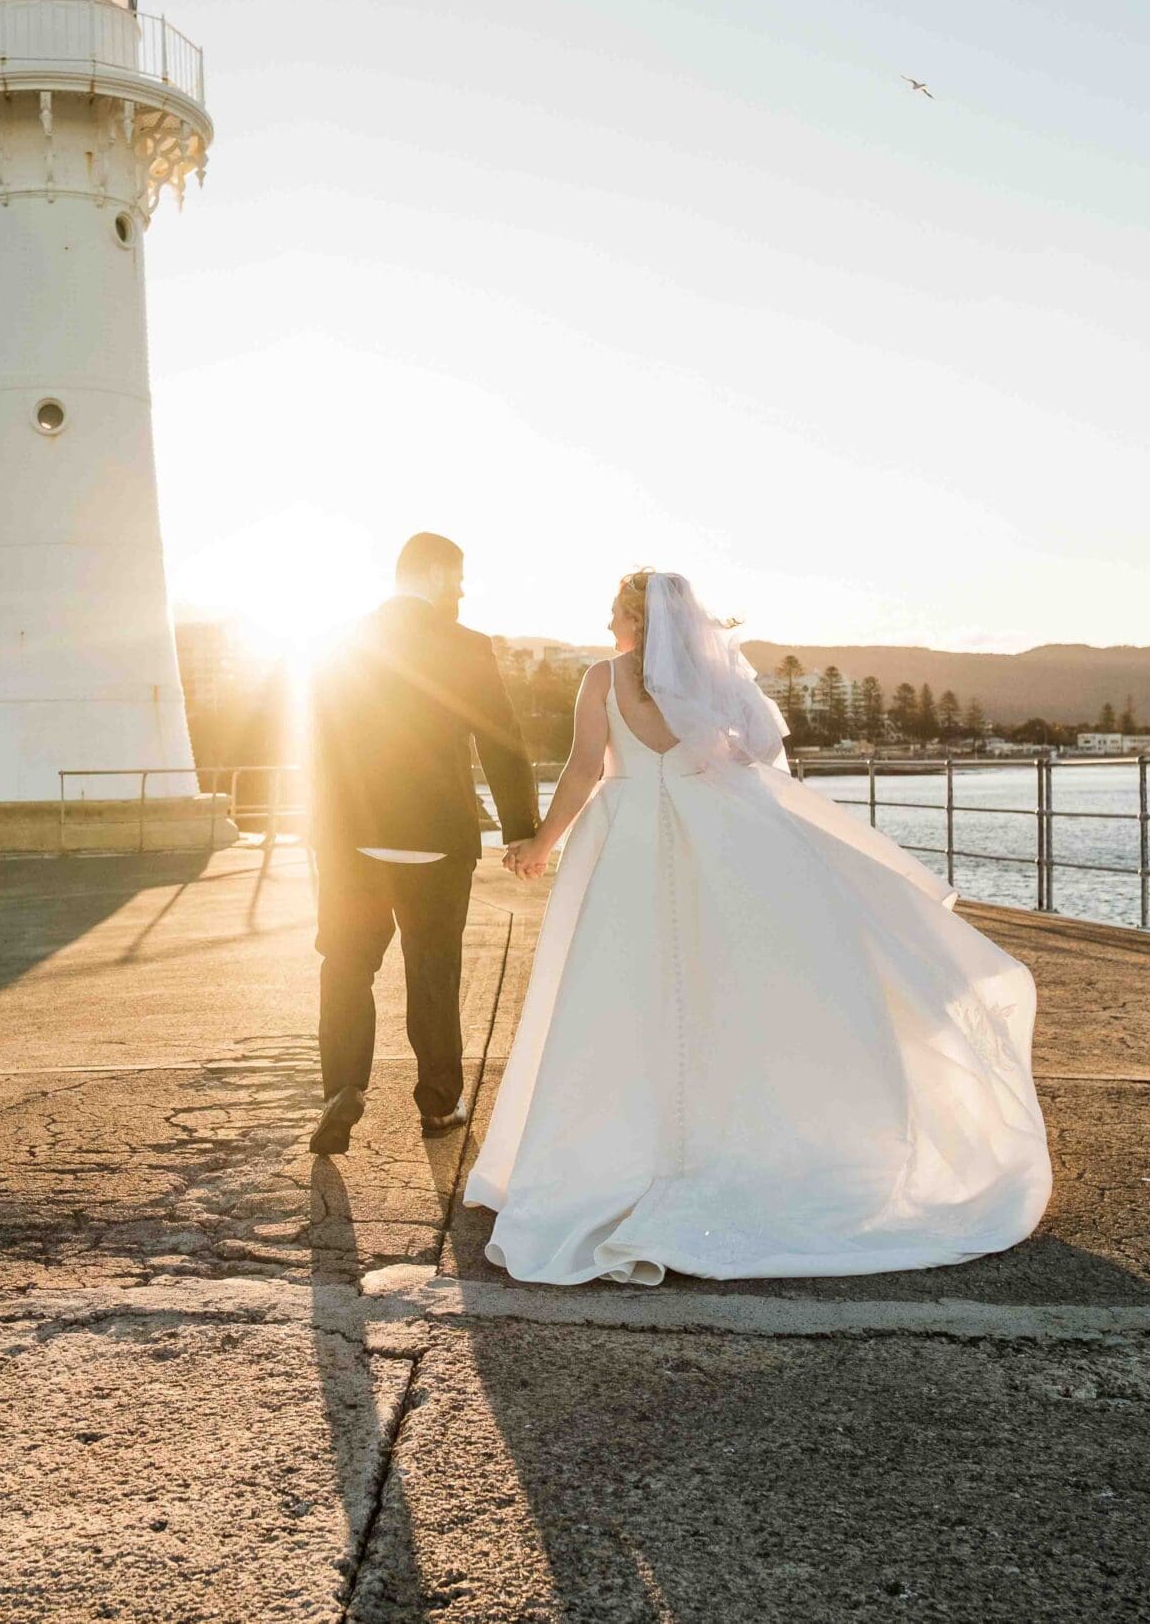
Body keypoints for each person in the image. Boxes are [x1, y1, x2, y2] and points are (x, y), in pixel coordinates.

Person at [466, 570, 1051, 1283]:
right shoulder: (710, 686)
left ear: (631, 617)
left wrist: (542, 845)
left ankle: (610, 1159)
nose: (605, 620)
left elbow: (586, 767)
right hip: (709, 846)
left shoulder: (601, 679)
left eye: (613, 610)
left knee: (617, 1000)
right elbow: (750, 762)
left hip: (625, 853)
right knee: (718, 995)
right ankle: (714, 1153)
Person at [307, 532, 539, 1155]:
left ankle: (343, 1087)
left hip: (354, 841)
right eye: (458, 579)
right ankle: (439, 1106)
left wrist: (325, 832)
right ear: (435, 574)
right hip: (437, 842)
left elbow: (318, 743)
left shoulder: (343, 640)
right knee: (434, 970)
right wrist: (522, 828)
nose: (462, 591)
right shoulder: (465, 647)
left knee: (347, 964)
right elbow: (501, 741)